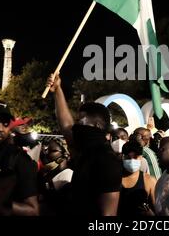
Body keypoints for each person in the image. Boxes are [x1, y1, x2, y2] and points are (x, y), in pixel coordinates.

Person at [47, 73, 122, 216]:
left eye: (81, 122)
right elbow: (67, 126)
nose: (77, 127)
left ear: (97, 125)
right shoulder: (86, 151)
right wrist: (57, 90)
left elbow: (108, 214)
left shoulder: (108, 160)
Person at [118, 141, 157, 217]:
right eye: (128, 158)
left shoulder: (149, 181)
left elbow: (157, 210)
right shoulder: (114, 177)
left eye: (135, 157)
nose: (132, 160)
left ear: (141, 158)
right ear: (123, 157)